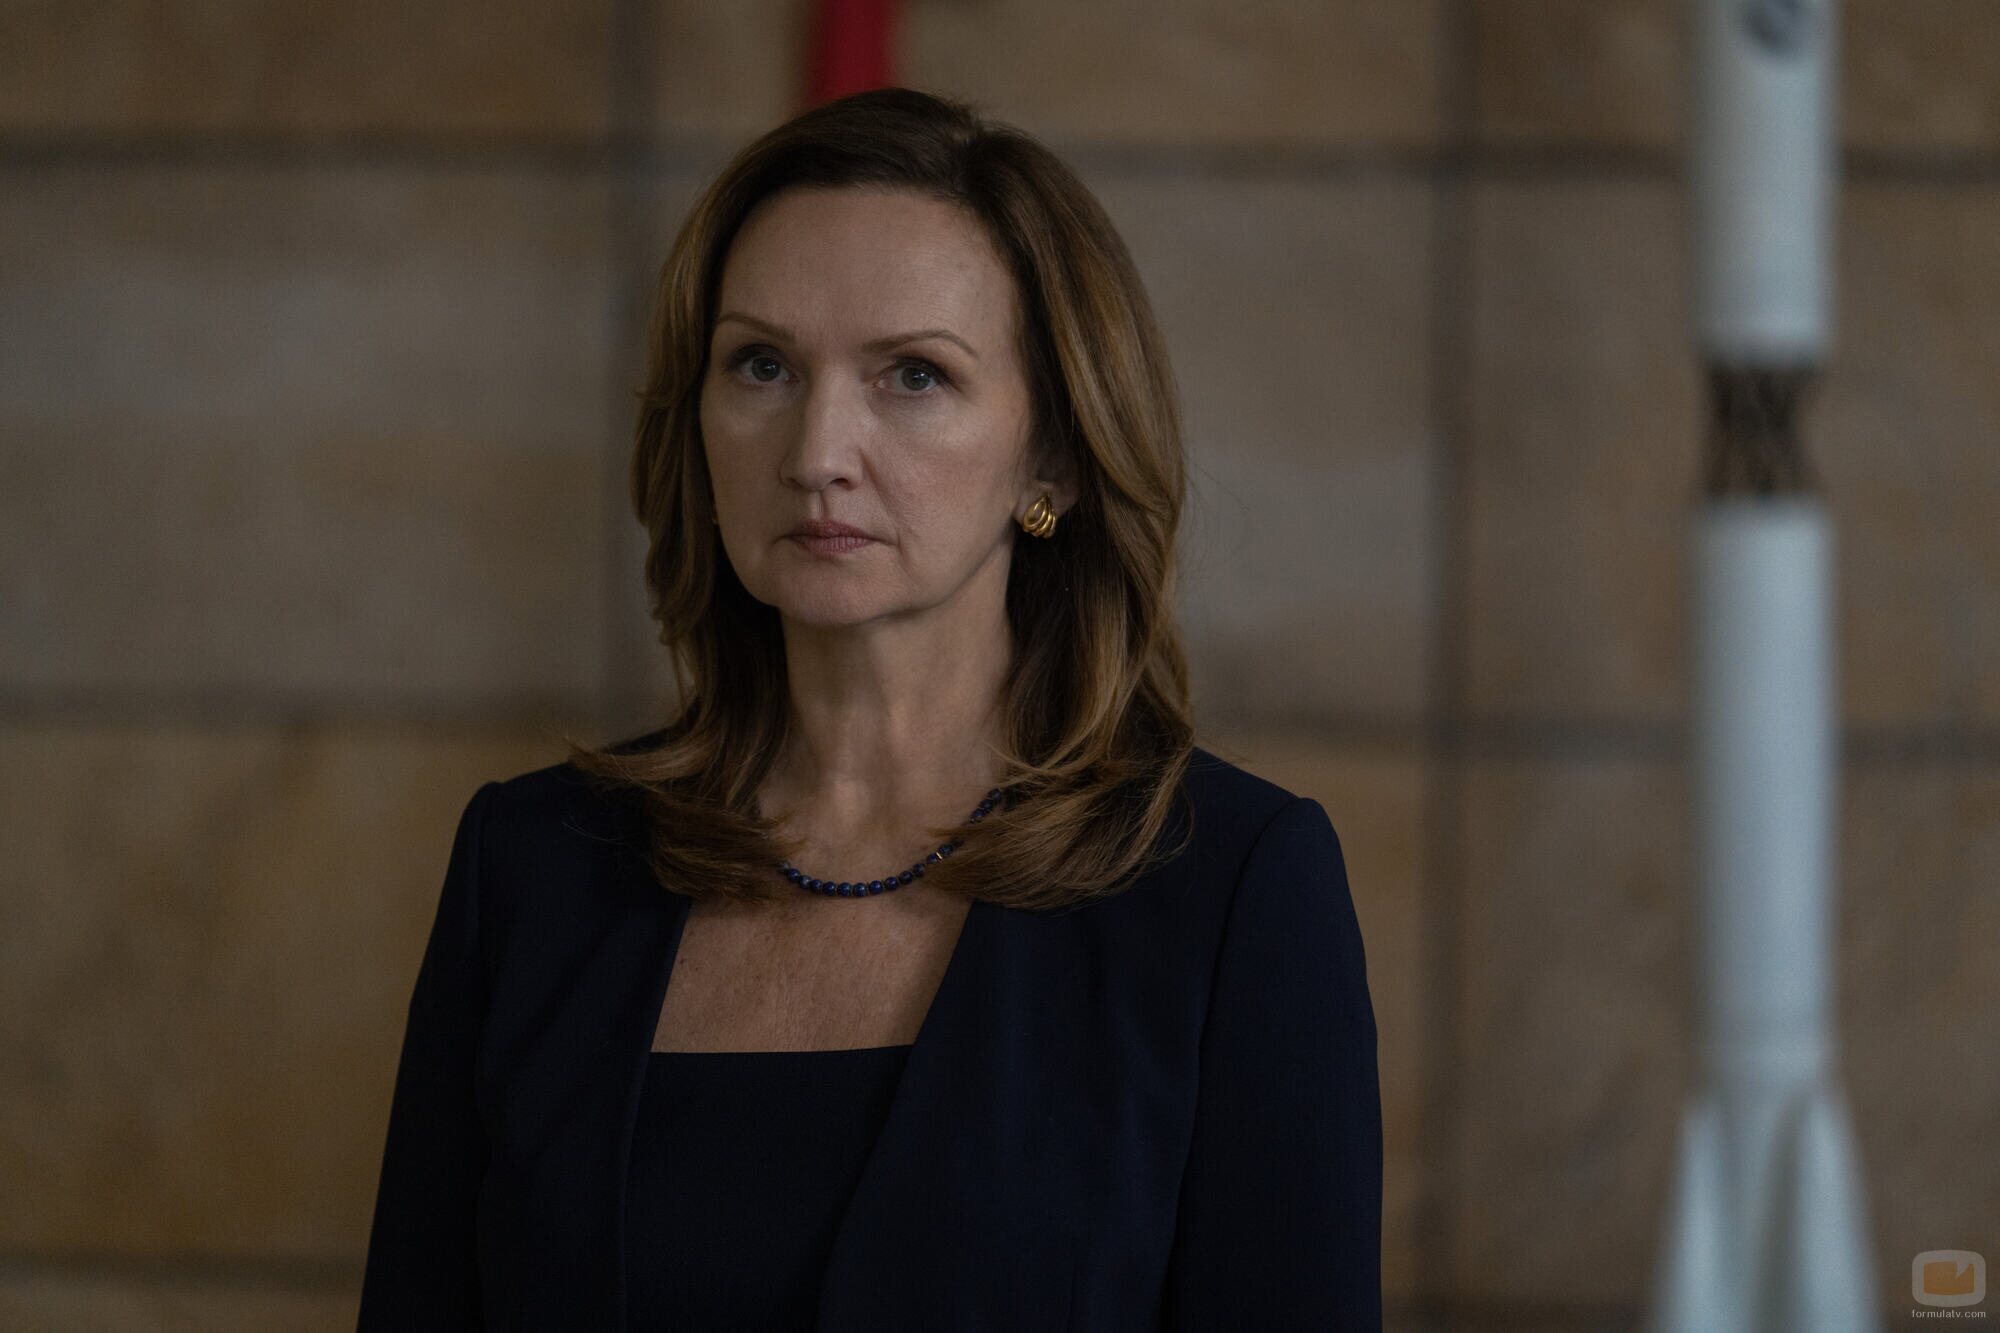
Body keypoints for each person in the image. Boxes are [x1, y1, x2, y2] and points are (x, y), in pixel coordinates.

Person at [358, 86, 1380, 1331]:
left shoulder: (1229, 889)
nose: (815, 451)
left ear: (1052, 458)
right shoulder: (531, 866)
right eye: (762, 365)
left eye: (912, 375)